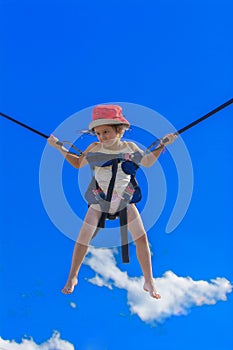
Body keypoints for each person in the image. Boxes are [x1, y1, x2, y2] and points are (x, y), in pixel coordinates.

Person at [47, 104, 177, 298]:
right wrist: (58, 146)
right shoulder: (94, 148)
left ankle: (149, 281)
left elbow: (148, 161)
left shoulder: (129, 147)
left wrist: (163, 144)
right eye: (98, 133)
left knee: (141, 238)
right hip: (100, 199)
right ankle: (72, 276)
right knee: (84, 236)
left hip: (125, 198)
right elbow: (76, 163)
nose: (102, 137)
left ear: (119, 130)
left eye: (106, 132)